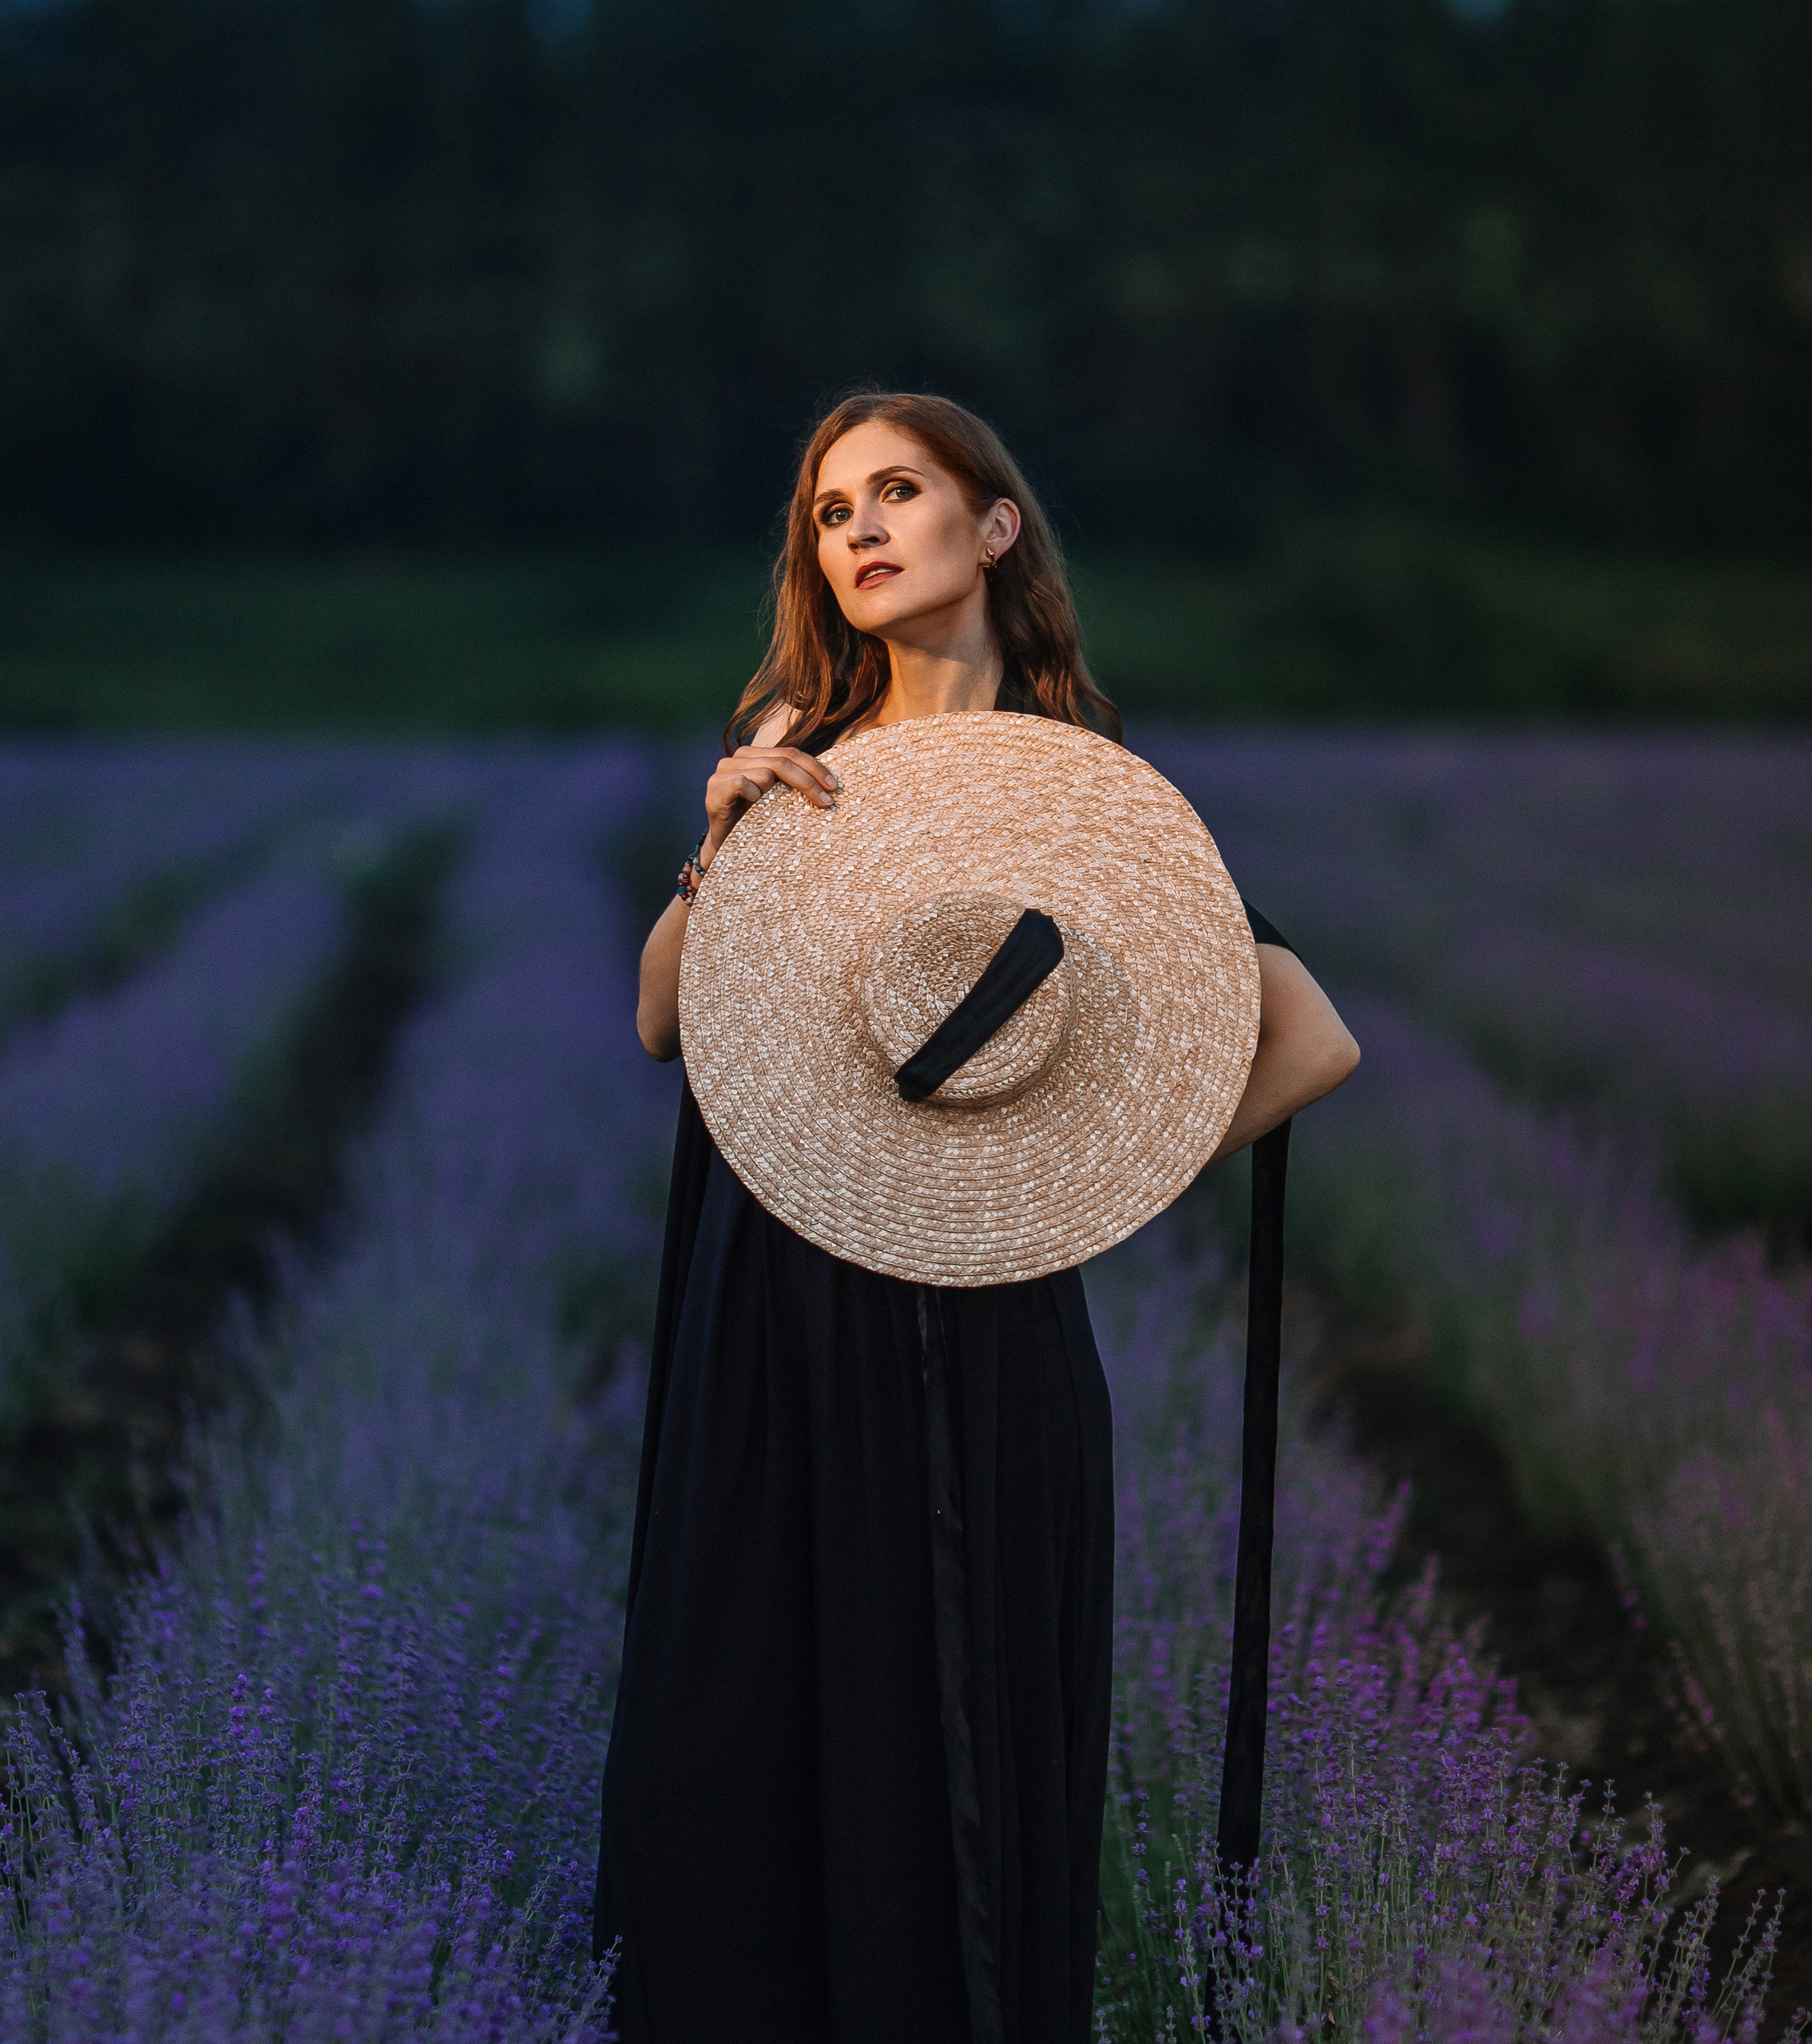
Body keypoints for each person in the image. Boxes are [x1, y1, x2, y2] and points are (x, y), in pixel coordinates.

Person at [595, 391, 1359, 2042]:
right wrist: (713, 842)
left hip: (971, 1320)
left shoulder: (1077, 795)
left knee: (938, 1767)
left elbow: (1309, 1038)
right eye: (826, 511)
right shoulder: (801, 761)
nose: (856, 530)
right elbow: (662, 1020)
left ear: (991, 525)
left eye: (898, 492)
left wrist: (1078, 1170)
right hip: (764, 1312)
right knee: (709, 1758)